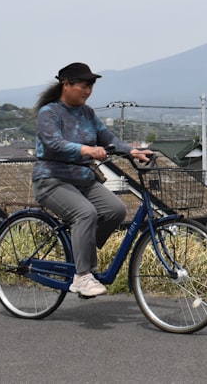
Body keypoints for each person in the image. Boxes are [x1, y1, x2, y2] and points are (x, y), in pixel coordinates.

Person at [32, 62, 152, 297]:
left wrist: (131, 151)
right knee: (85, 213)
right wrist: (86, 150)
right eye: (84, 86)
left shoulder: (87, 113)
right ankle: (82, 275)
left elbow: (107, 137)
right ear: (66, 85)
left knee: (116, 210)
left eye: (91, 87)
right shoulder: (50, 113)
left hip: (83, 179)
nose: (88, 91)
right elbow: (54, 143)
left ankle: (81, 253)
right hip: (51, 179)